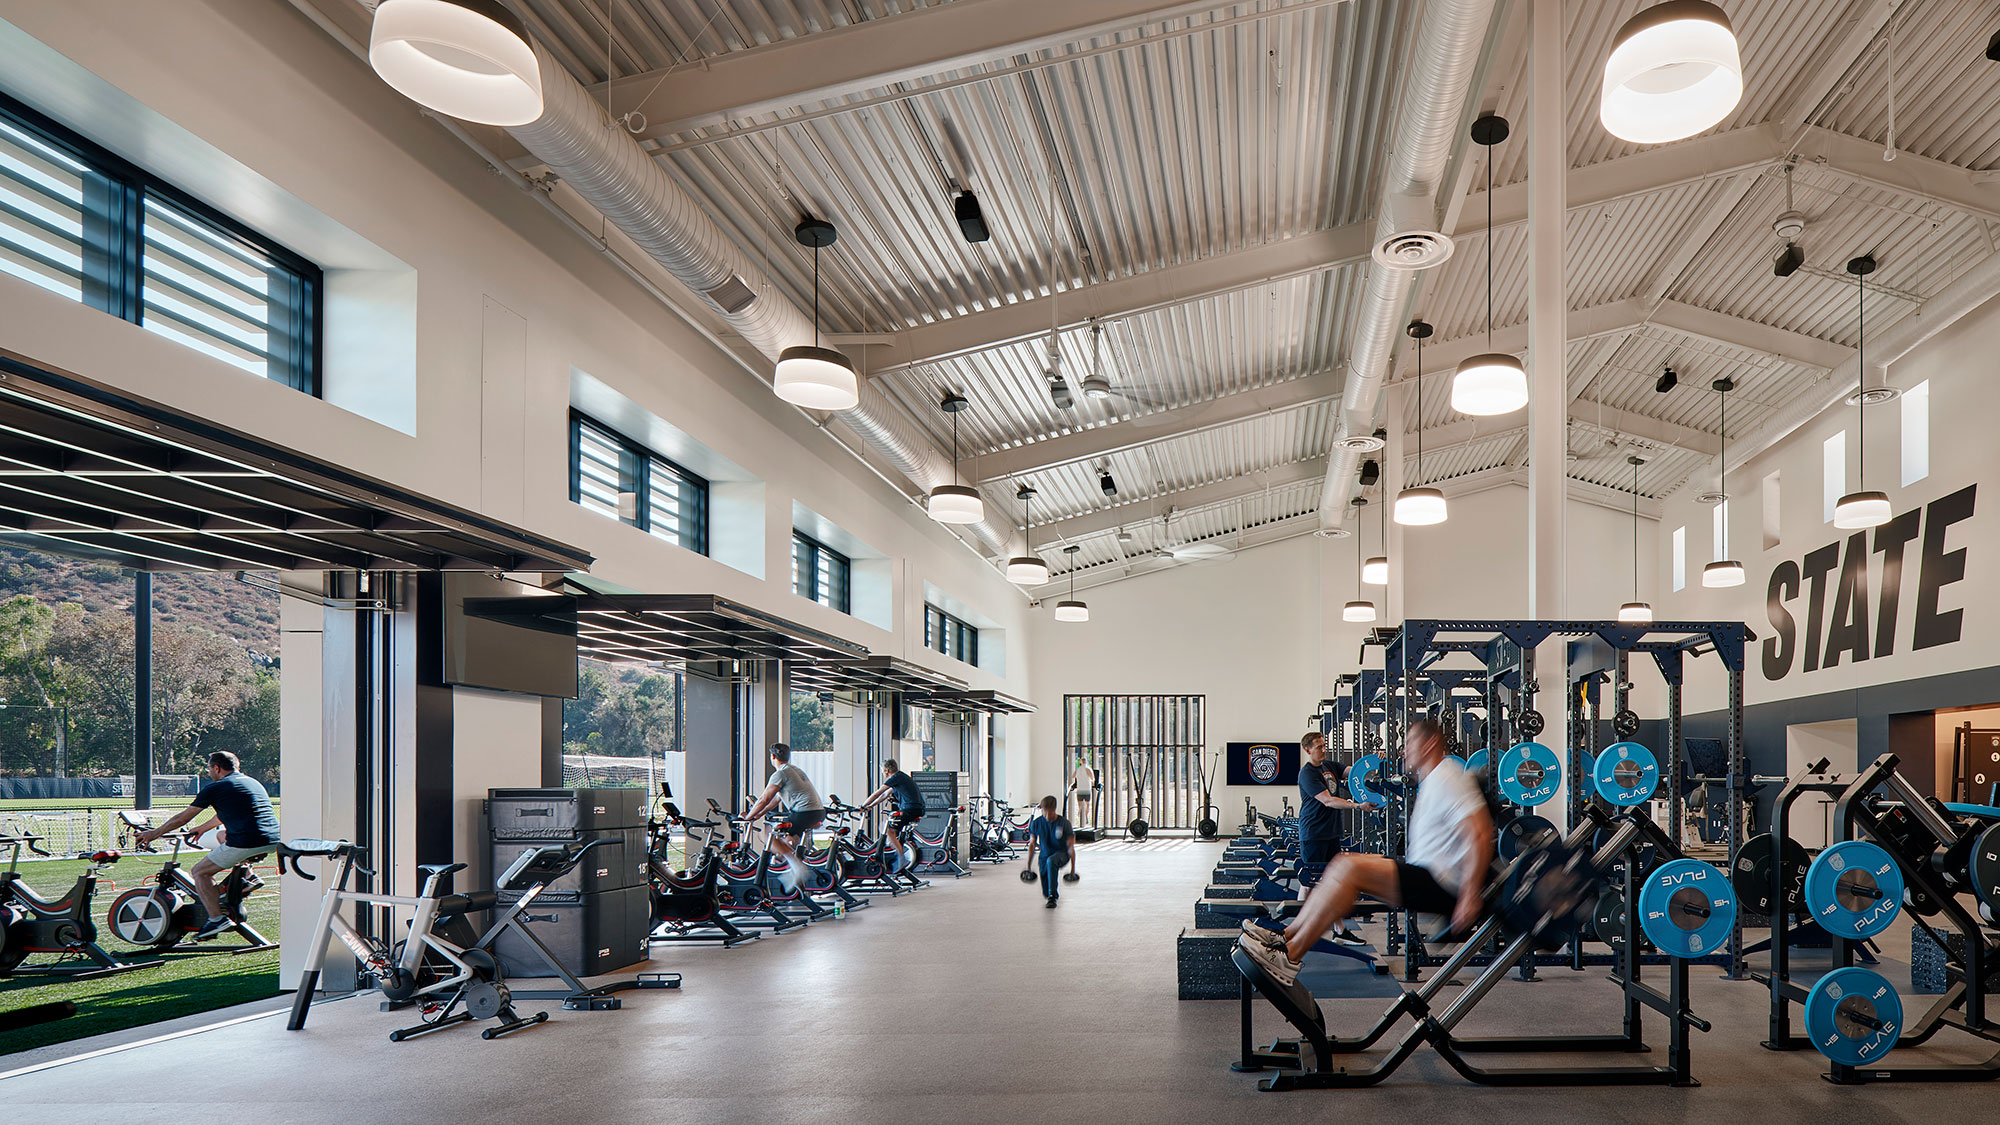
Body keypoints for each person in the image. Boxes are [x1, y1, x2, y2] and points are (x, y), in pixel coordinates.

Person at [1239, 719, 1493, 985]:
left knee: (1348, 867)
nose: (1404, 750)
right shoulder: (1432, 778)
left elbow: (1480, 832)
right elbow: (1356, 776)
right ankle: (1285, 937)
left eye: (1409, 744)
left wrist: (1470, 894)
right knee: (1341, 865)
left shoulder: (1449, 776)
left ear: (1429, 744)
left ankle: (1289, 957)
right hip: (1422, 874)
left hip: (1440, 883)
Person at [133, 751, 280, 942]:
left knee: (200, 872)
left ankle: (216, 918)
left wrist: (152, 834)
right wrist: (202, 828)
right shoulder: (252, 782)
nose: (209, 772)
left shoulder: (216, 787)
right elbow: (225, 814)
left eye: (209, 768)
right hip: (273, 839)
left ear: (217, 768)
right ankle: (247, 875)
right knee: (221, 835)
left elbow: (182, 818)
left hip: (246, 842)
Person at [1295, 730, 1379, 945]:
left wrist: (1377, 762)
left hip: (1331, 833)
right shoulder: (1307, 774)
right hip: (1313, 833)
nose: (1324, 749)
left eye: (1324, 745)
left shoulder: (1329, 766)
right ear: (1307, 750)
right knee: (1309, 882)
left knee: (1331, 881)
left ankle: (1339, 931)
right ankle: (1296, 929)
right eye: (1319, 747)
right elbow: (1329, 801)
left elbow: (1357, 773)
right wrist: (1358, 806)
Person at [745, 743, 825, 887]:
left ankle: (797, 866)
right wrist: (757, 815)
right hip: (817, 812)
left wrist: (747, 817)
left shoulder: (780, 773)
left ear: (773, 756)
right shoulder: (794, 770)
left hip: (804, 812)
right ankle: (793, 870)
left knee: (765, 834)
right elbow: (776, 799)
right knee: (784, 841)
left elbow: (764, 799)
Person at [1023, 796, 1076, 908]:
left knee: (1051, 861)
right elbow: (1032, 844)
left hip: (1062, 854)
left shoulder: (1064, 823)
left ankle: (1053, 896)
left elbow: (1071, 847)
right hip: (1044, 855)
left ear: (1055, 809)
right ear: (1042, 809)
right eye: (1045, 812)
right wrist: (1028, 866)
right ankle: (1049, 895)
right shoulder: (1036, 823)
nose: (1047, 815)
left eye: (1050, 812)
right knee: (1045, 879)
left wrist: (1072, 869)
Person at [859, 758, 926, 845]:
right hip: (916, 809)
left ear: (887, 770)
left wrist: (863, 805)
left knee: (888, 829)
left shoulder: (895, 778)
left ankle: (896, 855)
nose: (882, 773)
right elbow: (884, 795)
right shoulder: (901, 777)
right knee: (891, 828)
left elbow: (878, 793)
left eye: (882, 771)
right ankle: (895, 849)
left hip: (909, 810)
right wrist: (871, 805)